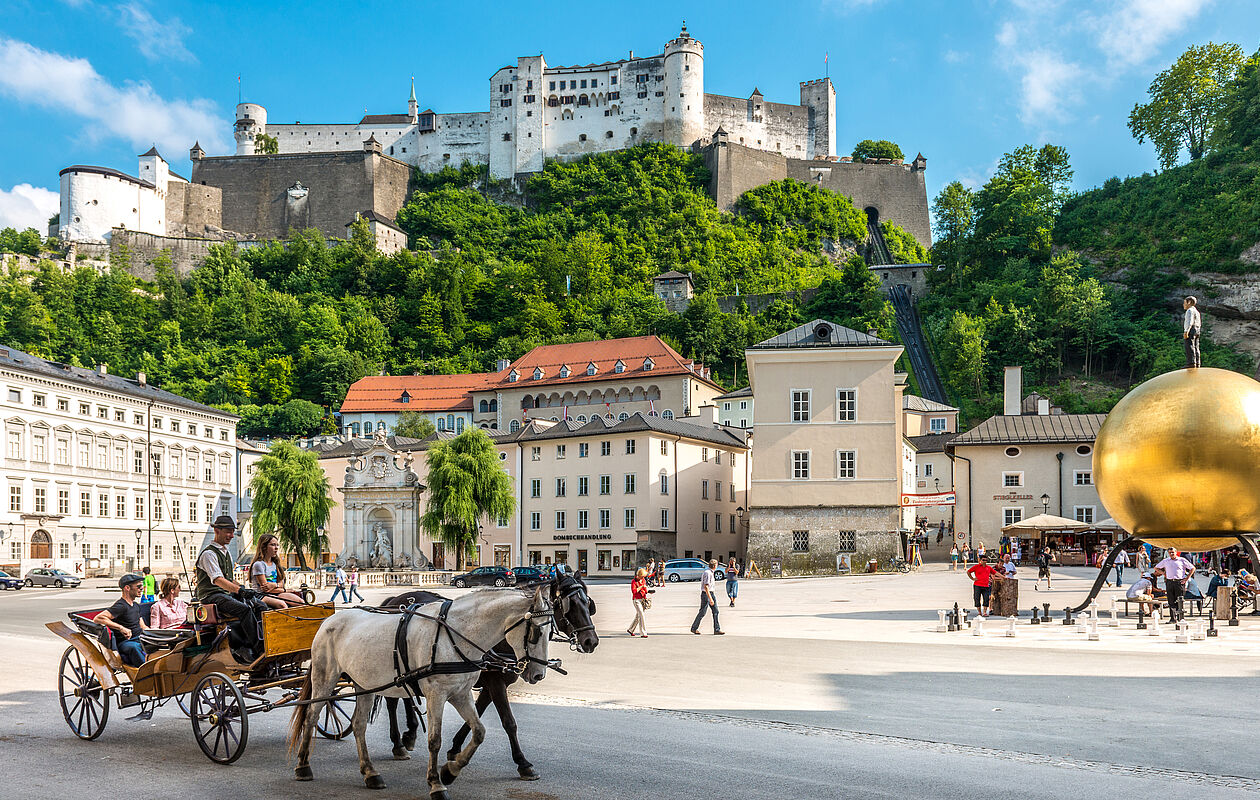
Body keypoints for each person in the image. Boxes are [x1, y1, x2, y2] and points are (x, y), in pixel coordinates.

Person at [196, 515, 264, 664]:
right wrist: (239, 591)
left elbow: (228, 578)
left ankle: (262, 639)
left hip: (223, 593)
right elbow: (218, 580)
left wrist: (242, 588)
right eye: (228, 531)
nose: (232, 536)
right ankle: (258, 648)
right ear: (216, 530)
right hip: (211, 596)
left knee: (260, 605)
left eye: (233, 531)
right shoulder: (209, 554)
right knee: (244, 610)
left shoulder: (225, 552)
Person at [98, 572, 150, 666]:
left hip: (140, 638)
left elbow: (142, 626)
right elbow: (99, 618)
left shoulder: (136, 606)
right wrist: (121, 628)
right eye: (138, 587)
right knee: (134, 647)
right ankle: (146, 672)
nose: (141, 589)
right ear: (127, 588)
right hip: (126, 642)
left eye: (142, 587)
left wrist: (156, 634)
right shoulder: (121, 606)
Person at [250, 534, 304, 609]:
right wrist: (285, 590)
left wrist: (275, 585)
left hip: (276, 592)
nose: (276, 548)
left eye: (277, 545)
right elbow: (266, 589)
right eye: (272, 545)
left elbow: (281, 583)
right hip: (261, 595)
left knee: (300, 602)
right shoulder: (259, 565)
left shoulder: (275, 564)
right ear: (264, 547)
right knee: (282, 605)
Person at [1155, 548, 1195, 622]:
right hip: (1170, 582)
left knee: (1179, 600)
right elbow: (1156, 567)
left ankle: (1180, 617)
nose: (1171, 554)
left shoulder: (1182, 560)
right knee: (1171, 600)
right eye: (1170, 552)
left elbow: (1192, 568)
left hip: (1179, 582)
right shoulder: (1166, 561)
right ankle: (1173, 618)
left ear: (1176, 552)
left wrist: (1187, 578)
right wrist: (1164, 573)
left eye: (1173, 552)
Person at [690, 558, 724, 635]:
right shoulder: (708, 573)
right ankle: (694, 628)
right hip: (706, 594)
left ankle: (717, 629)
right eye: (717, 565)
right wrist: (710, 598)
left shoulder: (710, 572)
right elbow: (706, 586)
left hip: (711, 593)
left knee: (716, 611)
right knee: (702, 612)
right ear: (714, 565)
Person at [627, 568, 651, 637]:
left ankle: (630, 629)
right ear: (639, 575)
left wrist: (648, 591)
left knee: (638, 616)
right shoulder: (634, 581)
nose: (643, 577)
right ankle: (643, 633)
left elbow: (645, 590)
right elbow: (634, 591)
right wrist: (641, 586)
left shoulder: (643, 580)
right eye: (642, 576)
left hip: (643, 599)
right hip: (636, 600)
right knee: (641, 615)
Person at [1183, 295, 1202, 369]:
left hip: (1191, 329)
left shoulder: (1190, 310)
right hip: (1197, 329)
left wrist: (1186, 331)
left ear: (1189, 302)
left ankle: (1191, 363)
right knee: (1196, 347)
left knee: (1189, 345)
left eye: (1185, 303)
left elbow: (1189, 321)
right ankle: (1197, 362)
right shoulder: (1197, 311)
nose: (1183, 305)